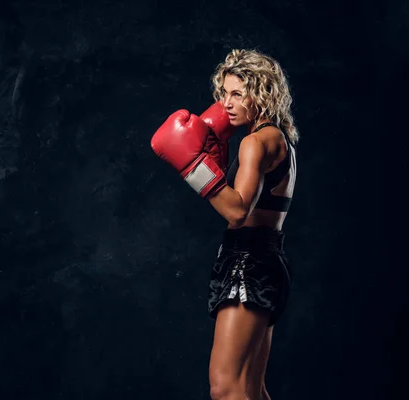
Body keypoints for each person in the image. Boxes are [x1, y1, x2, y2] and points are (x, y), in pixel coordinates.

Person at [151, 48, 298, 400]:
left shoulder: (254, 143)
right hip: (266, 259)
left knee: (225, 387)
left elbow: (237, 211)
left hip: (248, 263)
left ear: (261, 93)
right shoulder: (280, 140)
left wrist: (193, 167)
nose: (227, 103)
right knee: (251, 388)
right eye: (224, 93)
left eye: (237, 93)